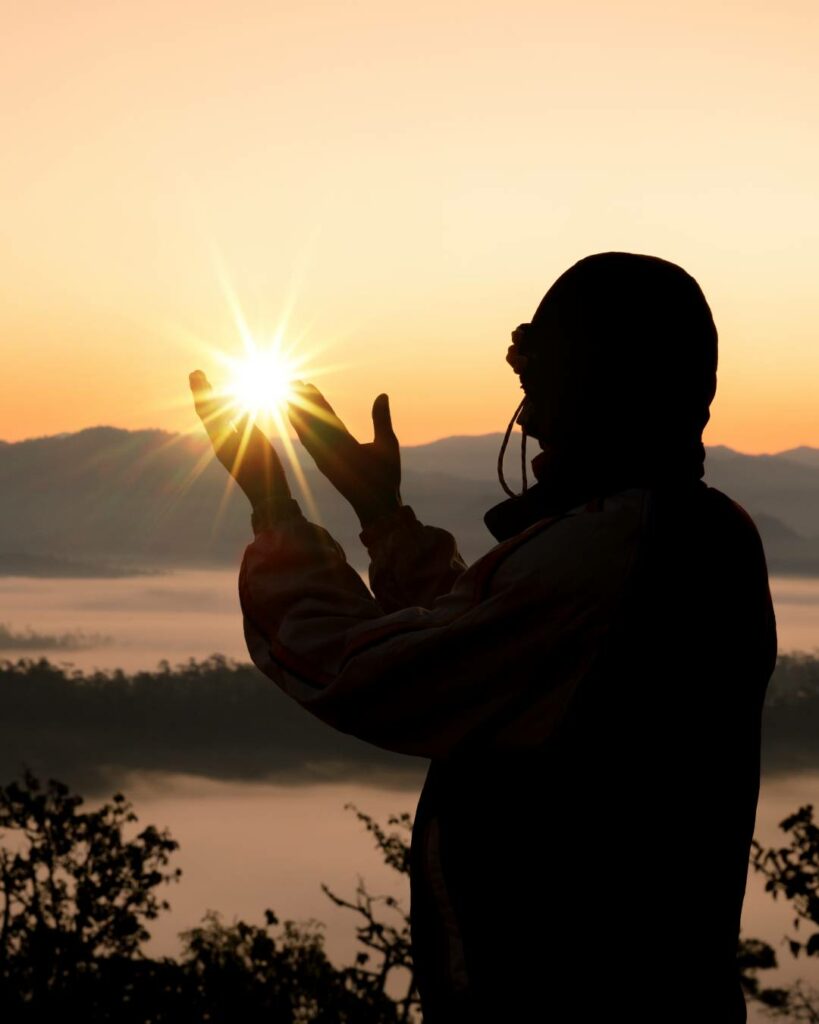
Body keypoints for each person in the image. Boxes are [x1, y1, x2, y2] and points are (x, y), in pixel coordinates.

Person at [190, 252, 777, 1023]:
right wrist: (382, 515)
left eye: (537, 384)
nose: (526, 418)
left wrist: (274, 508)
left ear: (602, 387)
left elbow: (372, 676)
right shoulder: (696, 532)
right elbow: (494, 645)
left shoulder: (615, 548)